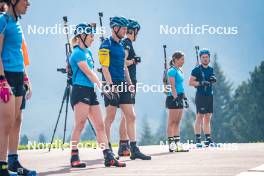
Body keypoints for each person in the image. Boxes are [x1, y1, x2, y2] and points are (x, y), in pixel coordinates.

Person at [69, 23, 126, 168]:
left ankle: (108, 156)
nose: (93, 39)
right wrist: (103, 88)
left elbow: (93, 73)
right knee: (80, 124)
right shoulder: (77, 53)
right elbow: (89, 73)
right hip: (80, 90)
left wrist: (100, 87)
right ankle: (74, 156)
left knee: (100, 125)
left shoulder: (87, 52)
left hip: (90, 91)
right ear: (82, 36)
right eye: (91, 36)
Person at [99, 16, 151, 160]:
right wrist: (110, 86)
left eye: (125, 29)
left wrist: (129, 84)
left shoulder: (122, 45)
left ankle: (134, 149)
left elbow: (124, 67)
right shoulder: (105, 45)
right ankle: (107, 150)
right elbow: (104, 68)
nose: (125, 31)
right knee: (110, 117)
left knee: (131, 116)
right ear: (115, 28)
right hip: (111, 84)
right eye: (122, 28)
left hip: (123, 83)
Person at [0, 0, 35, 176]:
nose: (28, 4)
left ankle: (13, 162)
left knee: (17, 119)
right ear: (13, 1)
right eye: (25, 1)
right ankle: (2, 166)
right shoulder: (2, 21)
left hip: (18, 75)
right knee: (6, 123)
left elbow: (19, 52)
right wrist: (1, 80)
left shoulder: (16, 22)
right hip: (5, 75)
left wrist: (26, 77)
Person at [118, 19, 141, 158]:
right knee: (127, 115)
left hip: (128, 81)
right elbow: (123, 61)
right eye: (137, 31)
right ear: (133, 31)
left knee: (125, 115)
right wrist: (134, 61)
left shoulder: (125, 43)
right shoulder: (127, 43)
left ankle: (123, 145)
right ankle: (123, 145)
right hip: (129, 81)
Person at [189, 49, 217, 147]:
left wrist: (213, 79)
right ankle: (198, 140)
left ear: (209, 58)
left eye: (207, 57)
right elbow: (190, 82)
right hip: (201, 95)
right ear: (200, 58)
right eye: (203, 57)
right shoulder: (196, 69)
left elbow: (212, 77)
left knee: (208, 117)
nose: (205, 59)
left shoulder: (211, 69)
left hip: (209, 95)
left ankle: (208, 139)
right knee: (199, 117)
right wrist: (201, 83)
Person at [166, 52, 189, 152]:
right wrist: (175, 98)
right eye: (182, 59)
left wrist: (184, 98)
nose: (183, 61)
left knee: (177, 122)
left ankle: (178, 144)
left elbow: (181, 86)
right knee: (172, 122)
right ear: (175, 59)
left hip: (179, 97)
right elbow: (172, 86)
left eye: (183, 59)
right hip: (173, 97)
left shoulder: (180, 70)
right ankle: (171, 145)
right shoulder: (171, 71)